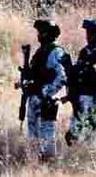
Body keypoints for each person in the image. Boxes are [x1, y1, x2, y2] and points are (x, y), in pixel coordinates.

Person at [22, 19, 70, 160]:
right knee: (32, 131)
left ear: (47, 34)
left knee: (47, 130)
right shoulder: (39, 52)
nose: (38, 35)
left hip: (45, 98)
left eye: (40, 32)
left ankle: (49, 162)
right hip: (34, 97)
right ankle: (34, 162)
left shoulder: (56, 52)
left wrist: (47, 92)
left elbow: (62, 76)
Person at [65, 18, 96, 145]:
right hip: (79, 100)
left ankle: (93, 161)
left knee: (93, 137)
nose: (87, 36)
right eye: (87, 33)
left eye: (90, 33)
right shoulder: (84, 52)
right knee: (72, 137)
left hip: (93, 99)